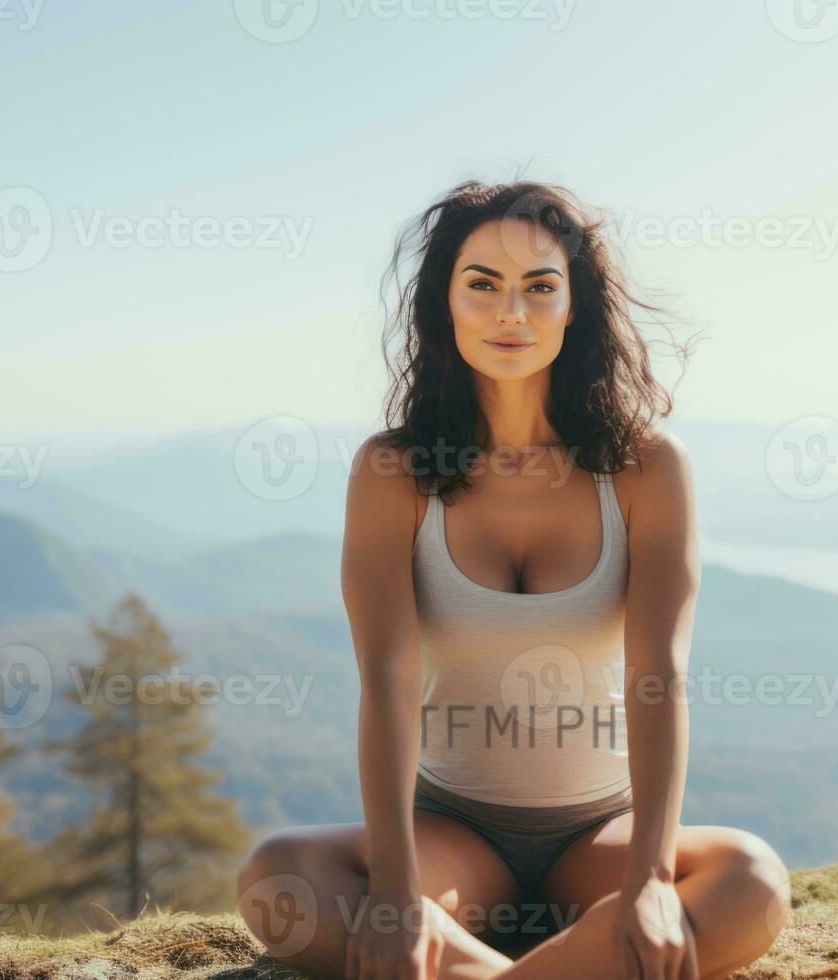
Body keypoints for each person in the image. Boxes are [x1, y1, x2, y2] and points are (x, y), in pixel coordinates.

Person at [237, 179, 791, 979]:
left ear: (574, 305)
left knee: (753, 883)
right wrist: (395, 891)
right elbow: (386, 679)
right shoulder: (393, 472)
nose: (511, 312)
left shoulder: (645, 468)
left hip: (599, 832)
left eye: (539, 286)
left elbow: (657, 675)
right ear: (443, 303)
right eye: (482, 285)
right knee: (278, 878)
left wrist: (648, 880)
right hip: (452, 833)